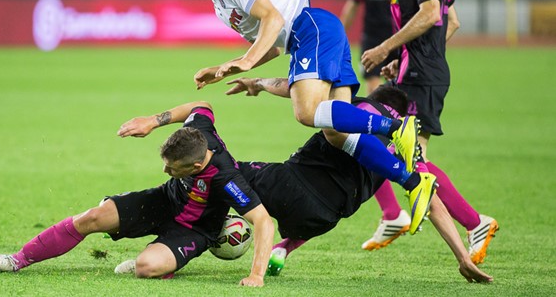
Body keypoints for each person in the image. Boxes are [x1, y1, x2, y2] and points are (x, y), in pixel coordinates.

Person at [162, 0, 435, 234]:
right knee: (336, 133)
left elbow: (275, 20)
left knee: (306, 112)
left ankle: (398, 128)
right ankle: (412, 181)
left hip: (311, 28)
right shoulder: (219, 5)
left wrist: (246, 60)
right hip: (310, 37)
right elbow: (276, 43)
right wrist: (233, 68)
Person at [116, 84, 493, 284]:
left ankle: (174, 241)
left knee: (217, 170)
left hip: (292, 186)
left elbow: (301, 91)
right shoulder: (409, 152)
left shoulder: (361, 109)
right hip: (323, 220)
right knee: (339, 188)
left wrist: (261, 83)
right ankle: (282, 246)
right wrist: (462, 257)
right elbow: (432, 200)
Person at [0, 101, 275, 287]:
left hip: (194, 229)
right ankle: (16, 260)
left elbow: (263, 221)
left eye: (173, 169)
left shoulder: (226, 179)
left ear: (198, 165)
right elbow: (202, 104)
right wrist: (153, 120)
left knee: (146, 267)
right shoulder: (198, 129)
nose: (166, 171)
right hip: (164, 201)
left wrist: (256, 276)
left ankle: (162, 261)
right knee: (93, 216)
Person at [360, 0, 498, 263]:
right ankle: (394, 215)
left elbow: (433, 13)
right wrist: (405, 58)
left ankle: (473, 222)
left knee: (408, 158)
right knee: (376, 139)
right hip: (416, 73)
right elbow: (451, 22)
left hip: (422, 80)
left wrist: (387, 49)